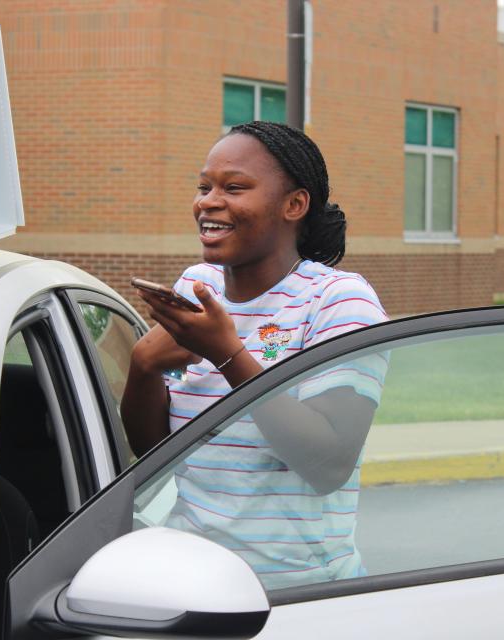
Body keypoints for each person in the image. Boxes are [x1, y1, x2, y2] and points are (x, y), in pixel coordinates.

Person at [121, 121, 388, 588]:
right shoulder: (195, 288)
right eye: (204, 187)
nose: (208, 201)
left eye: (235, 187)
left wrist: (227, 353)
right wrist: (143, 366)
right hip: (194, 582)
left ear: (294, 205)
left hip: (301, 591)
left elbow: (328, 464)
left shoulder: (339, 300)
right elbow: (154, 452)